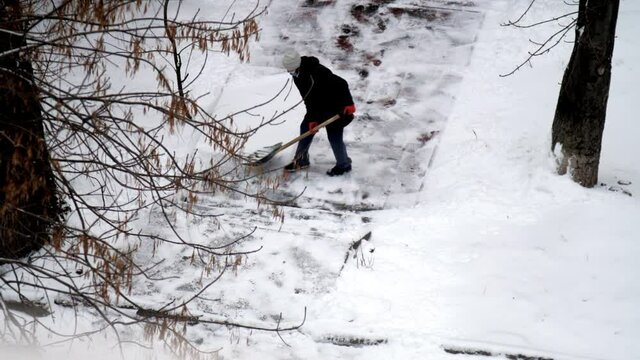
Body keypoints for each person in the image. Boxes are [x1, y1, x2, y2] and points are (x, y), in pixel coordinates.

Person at [281, 49, 356, 176]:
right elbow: (309, 99)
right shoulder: (297, 76)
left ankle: (344, 165)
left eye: (292, 70)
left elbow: (341, 83)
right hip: (317, 108)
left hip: (335, 108)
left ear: (298, 65)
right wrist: (312, 119)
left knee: (334, 137)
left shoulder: (318, 72)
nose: (291, 73)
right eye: (289, 71)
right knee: (305, 129)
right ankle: (301, 160)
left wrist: (349, 103)